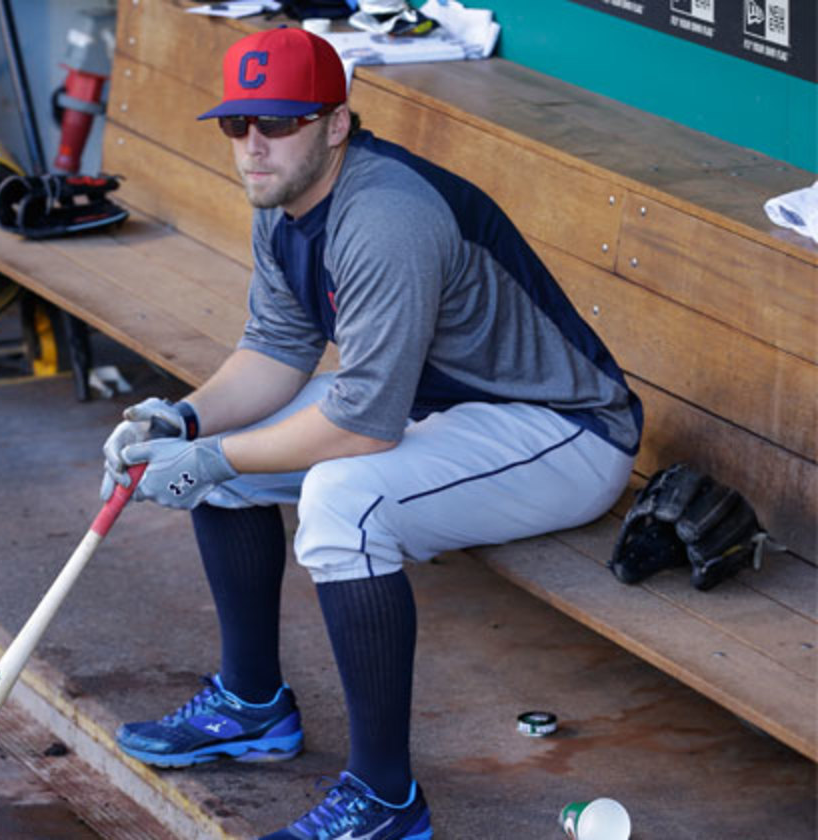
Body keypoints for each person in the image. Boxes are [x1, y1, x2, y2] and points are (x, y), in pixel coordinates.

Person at [100, 25, 642, 840]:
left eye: (278, 123)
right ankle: (252, 705)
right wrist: (182, 418)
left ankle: (386, 800)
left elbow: (358, 427)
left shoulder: (385, 215)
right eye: (237, 125)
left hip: (561, 431)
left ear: (336, 124)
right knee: (229, 465)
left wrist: (212, 452)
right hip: (440, 405)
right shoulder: (284, 198)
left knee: (341, 500)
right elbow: (277, 350)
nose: (254, 146)